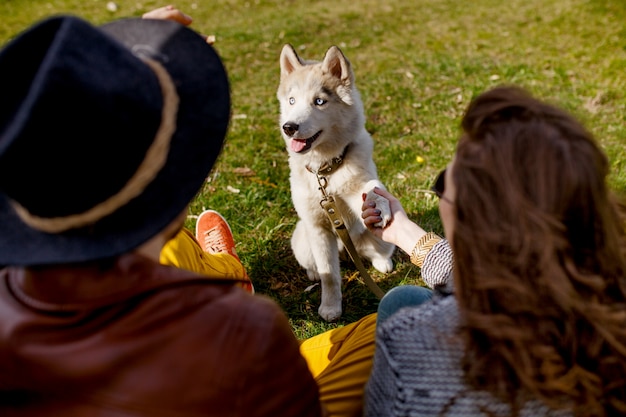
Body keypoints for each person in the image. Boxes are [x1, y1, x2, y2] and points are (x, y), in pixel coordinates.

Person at [0, 11, 378, 417]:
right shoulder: (245, 329)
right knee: (390, 326)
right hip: (226, 382)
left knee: (177, 251)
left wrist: (106, 68)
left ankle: (225, 268)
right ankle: (227, 272)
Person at [361, 85, 626, 416]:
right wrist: (405, 234)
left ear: (478, 228)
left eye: (444, 184)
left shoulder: (409, 347)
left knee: (398, 302)